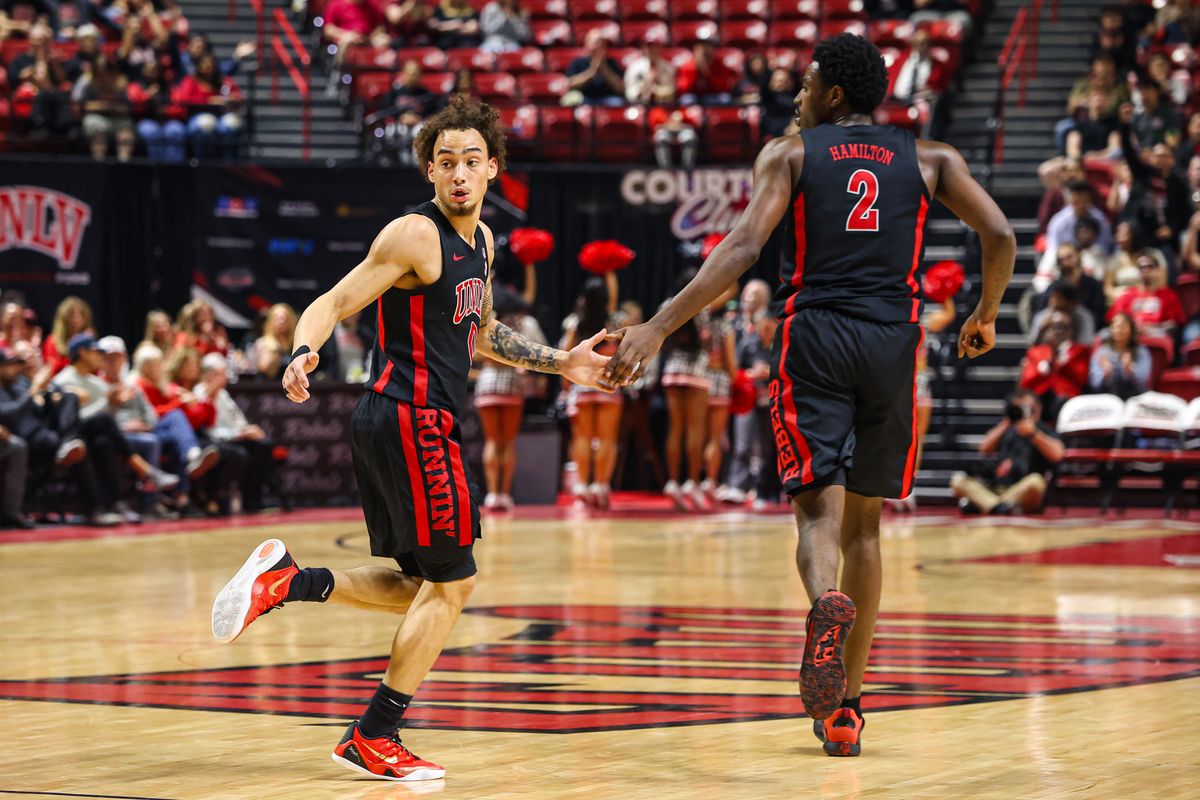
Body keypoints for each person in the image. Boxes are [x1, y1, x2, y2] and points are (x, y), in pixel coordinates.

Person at [603, 34, 1015, 757]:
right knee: (867, 529)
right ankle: (848, 708)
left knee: (816, 515)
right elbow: (1001, 232)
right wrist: (982, 316)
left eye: (805, 83)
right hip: (893, 340)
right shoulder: (932, 158)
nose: (796, 95)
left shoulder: (790, 152)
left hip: (814, 337)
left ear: (830, 95)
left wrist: (661, 325)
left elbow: (739, 249)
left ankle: (825, 602)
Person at [210, 96, 612, 781]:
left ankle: (288, 582)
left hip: (410, 421)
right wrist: (302, 352)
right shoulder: (414, 237)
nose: (459, 174)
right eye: (446, 162)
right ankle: (376, 732)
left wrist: (563, 363)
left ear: (492, 171)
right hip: (410, 417)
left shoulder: (480, 244)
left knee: (420, 585)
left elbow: (484, 336)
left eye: (471, 162)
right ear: (430, 170)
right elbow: (333, 301)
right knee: (456, 586)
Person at [950, 390, 1064, 515]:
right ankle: (1000, 506)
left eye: (1025, 408)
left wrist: (1033, 434)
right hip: (998, 486)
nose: (1021, 412)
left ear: (1037, 409)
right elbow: (984, 448)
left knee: (1036, 482)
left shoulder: (1043, 430)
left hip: (1022, 490)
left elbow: (1057, 454)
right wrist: (1005, 424)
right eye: (1017, 408)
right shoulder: (1007, 430)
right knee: (958, 480)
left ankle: (988, 505)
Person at [561, 276, 622, 509]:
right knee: (607, 438)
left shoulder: (576, 323)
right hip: (607, 385)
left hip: (582, 386)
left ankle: (583, 487)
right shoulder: (615, 323)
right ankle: (601, 486)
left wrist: (566, 390)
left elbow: (565, 357)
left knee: (582, 439)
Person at [657, 268, 711, 511]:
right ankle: (692, 480)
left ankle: (672, 481)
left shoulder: (667, 304)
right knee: (695, 428)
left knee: (675, 428)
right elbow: (707, 338)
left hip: (672, 369)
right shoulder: (701, 304)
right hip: (697, 370)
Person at [1107, 251, 1186, 336]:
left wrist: (1151, 329)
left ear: (1158, 270)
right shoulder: (1127, 295)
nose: (1145, 270)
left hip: (1157, 338)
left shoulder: (1168, 296)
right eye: (1141, 268)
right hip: (1130, 339)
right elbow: (1114, 320)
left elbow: (1174, 324)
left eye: (1150, 267)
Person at [1090, 312, 1151, 397]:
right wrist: (1105, 374)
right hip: (1108, 397)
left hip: (1135, 396)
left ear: (1131, 329)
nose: (1118, 330)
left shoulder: (1141, 351)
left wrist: (1130, 370)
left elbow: (1144, 382)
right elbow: (1094, 384)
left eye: (1122, 327)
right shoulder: (1102, 352)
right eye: (1115, 326)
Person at [565, 29, 625, 106]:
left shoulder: (611, 63)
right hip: (584, 98)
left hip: (607, 99)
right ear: (586, 45)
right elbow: (570, 85)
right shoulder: (578, 63)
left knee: (617, 102)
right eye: (596, 43)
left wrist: (604, 69)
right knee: (571, 99)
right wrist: (592, 72)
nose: (599, 46)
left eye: (602, 43)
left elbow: (620, 88)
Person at [42, 296, 93, 378]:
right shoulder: (52, 341)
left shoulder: (89, 340)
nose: (76, 320)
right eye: (72, 315)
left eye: (80, 315)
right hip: (61, 384)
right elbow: (52, 368)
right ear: (64, 319)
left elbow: (94, 368)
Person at [253, 303, 297, 381]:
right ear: (270, 321)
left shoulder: (294, 343)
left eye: (284, 318)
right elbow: (265, 369)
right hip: (268, 387)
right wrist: (275, 350)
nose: (281, 321)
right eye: (277, 318)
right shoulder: (262, 343)